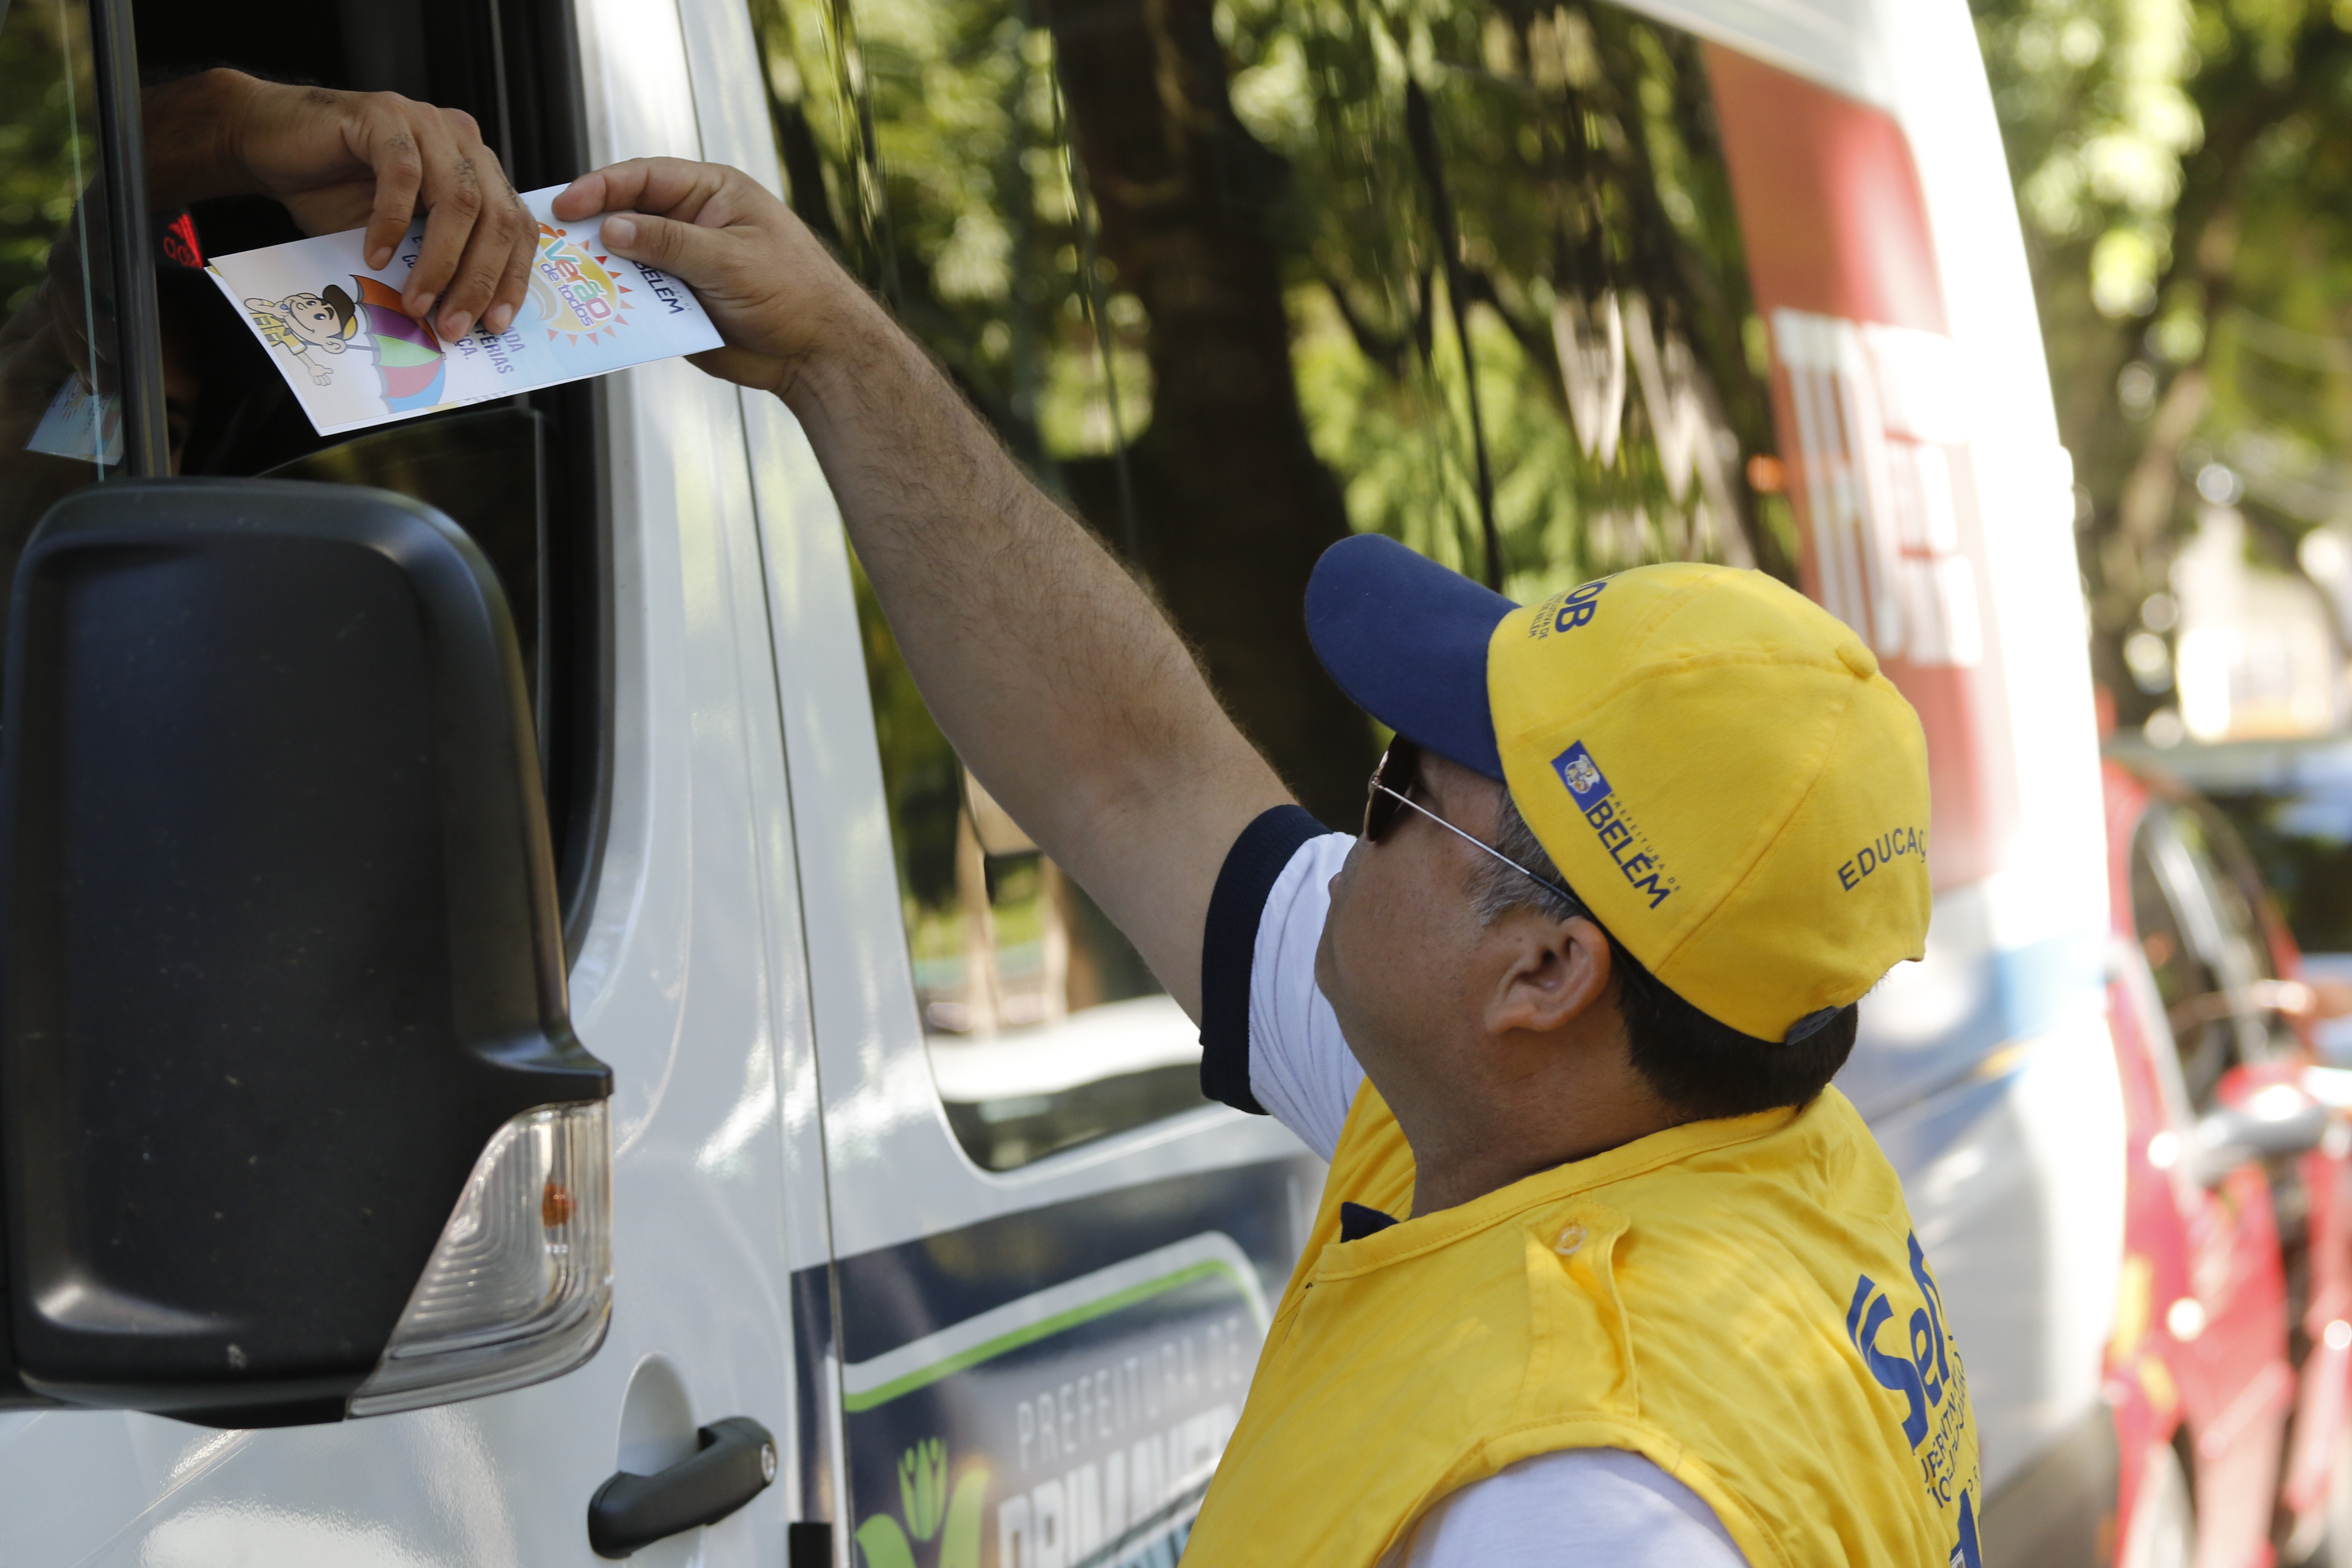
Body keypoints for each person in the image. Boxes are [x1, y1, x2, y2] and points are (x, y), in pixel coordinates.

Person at [551, 159, 1981, 1566]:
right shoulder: (1681, 1129)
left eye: (1400, 792)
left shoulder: (1580, 1499)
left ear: (1546, 971)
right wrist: (835, 353)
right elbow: (1134, 773)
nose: (1347, 822)